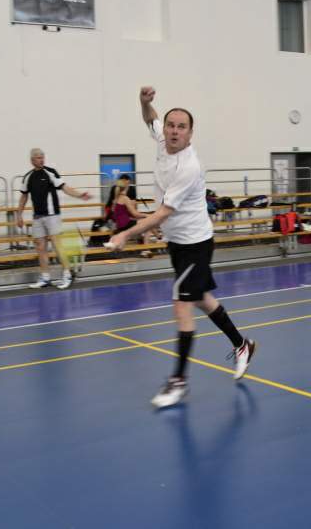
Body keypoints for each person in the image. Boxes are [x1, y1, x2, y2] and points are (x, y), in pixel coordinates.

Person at [108, 86, 256, 408]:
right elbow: (150, 118)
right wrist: (144, 102)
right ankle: (242, 344)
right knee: (201, 299)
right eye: (171, 125)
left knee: (181, 304)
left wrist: (125, 234)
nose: (174, 131)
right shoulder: (163, 140)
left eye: (182, 127)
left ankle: (178, 381)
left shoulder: (189, 167)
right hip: (176, 242)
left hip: (195, 243)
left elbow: (163, 213)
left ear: (191, 133)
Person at [17, 148, 92, 289]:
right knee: (40, 247)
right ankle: (45, 277)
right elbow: (24, 196)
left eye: (42, 157)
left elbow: (65, 188)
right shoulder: (28, 177)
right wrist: (19, 214)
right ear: (32, 160)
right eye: (38, 157)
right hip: (37, 217)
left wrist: (80, 195)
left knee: (57, 245)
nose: (41, 160)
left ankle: (67, 274)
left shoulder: (50, 172)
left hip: (52, 215)